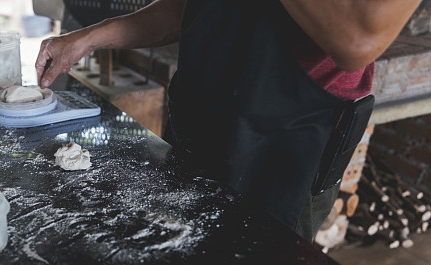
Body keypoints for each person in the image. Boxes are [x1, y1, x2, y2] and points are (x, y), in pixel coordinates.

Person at [35, 0, 422, 240]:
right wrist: (87, 39)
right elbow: (185, 8)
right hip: (200, 122)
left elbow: (358, 41)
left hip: (288, 145)